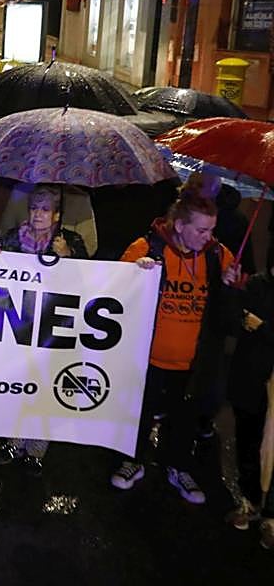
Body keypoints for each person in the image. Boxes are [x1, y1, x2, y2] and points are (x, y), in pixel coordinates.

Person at [113, 175, 242, 503]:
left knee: (184, 419)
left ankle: (178, 466)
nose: (208, 237)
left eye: (212, 230)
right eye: (201, 230)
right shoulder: (146, 248)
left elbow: (231, 312)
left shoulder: (217, 255)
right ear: (180, 224)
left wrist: (230, 285)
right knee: (138, 414)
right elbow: (112, 295)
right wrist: (134, 274)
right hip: (147, 357)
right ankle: (131, 460)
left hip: (193, 362)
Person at [0, 185, 88, 476]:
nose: (38, 215)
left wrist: (68, 255)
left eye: (45, 209)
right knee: (16, 385)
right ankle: (11, 442)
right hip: (18, 326)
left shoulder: (70, 241)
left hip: (52, 330)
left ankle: (35, 450)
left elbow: (90, 281)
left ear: (57, 214)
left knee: (44, 389)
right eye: (34, 208)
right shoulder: (12, 238)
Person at [225, 268, 274, 546]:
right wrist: (230, 289)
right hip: (251, 377)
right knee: (248, 438)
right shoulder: (257, 284)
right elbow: (234, 320)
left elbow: (257, 325)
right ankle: (250, 500)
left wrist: (263, 327)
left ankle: (271, 515)